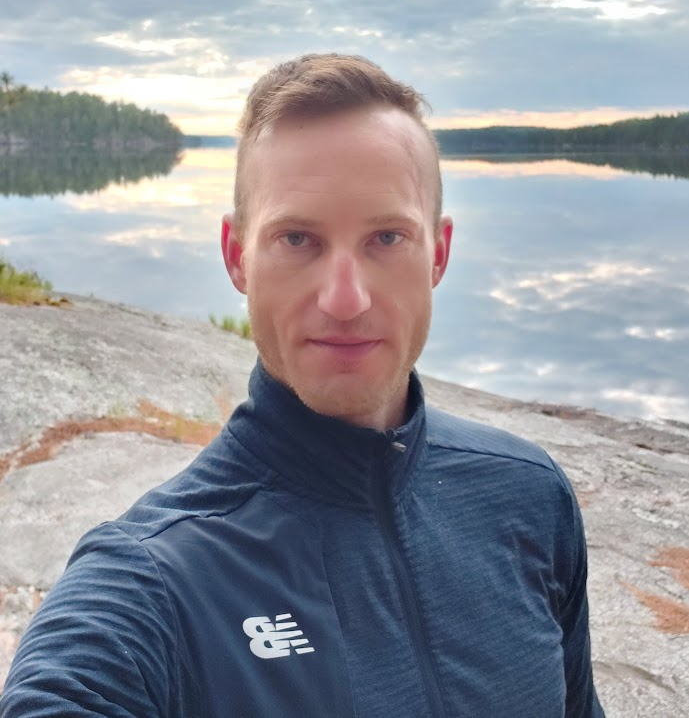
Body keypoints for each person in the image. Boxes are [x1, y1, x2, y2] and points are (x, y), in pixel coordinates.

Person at [1, 53, 605, 717]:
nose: (343, 299)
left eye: (385, 237)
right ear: (237, 257)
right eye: (297, 238)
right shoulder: (153, 580)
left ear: (437, 252)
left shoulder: (527, 495)